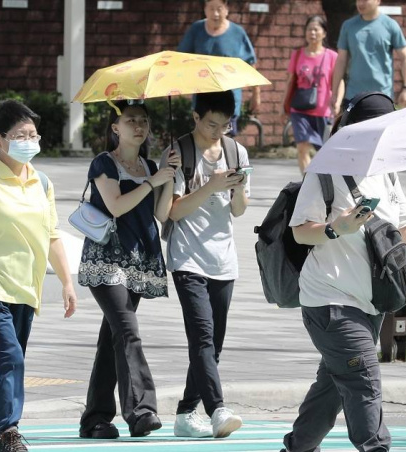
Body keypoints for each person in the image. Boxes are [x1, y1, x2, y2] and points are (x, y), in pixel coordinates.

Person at [282, 92, 406, 452]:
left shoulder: (386, 171)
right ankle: (377, 447)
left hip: (370, 304)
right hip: (330, 300)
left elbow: (404, 225)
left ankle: (297, 448)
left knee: (332, 388)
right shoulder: (325, 172)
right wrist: (334, 228)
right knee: (363, 382)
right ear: (353, 129)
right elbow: (299, 231)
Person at [0, 99, 77, 452]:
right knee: (9, 359)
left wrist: (66, 281)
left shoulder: (42, 182)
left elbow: (52, 235)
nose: (29, 141)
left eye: (33, 134)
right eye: (20, 135)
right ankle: (7, 431)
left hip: (26, 290)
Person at [78, 99, 178, 440]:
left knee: (114, 338)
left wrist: (169, 178)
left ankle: (95, 419)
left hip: (139, 261)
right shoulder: (103, 163)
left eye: (144, 121)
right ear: (115, 128)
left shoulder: (151, 166)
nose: (139, 126)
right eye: (131, 120)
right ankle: (141, 410)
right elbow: (117, 206)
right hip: (106, 261)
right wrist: (151, 183)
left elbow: (162, 215)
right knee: (127, 331)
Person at [159, 90, 248, 438]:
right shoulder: (179, 152)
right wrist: (211, 185)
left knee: (214, 344)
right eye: (212, 124)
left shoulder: (235, 151)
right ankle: (217, 410)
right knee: (202, 338)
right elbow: (173, 211)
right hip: (188, 258)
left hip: (224, 258)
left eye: (225, 125)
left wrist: (238, 188)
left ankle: (184, 413)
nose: (218, 132)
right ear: (195, 117)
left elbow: (239, 210)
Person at [179, 0, 259, 136]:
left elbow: (250, 63)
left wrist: (256, 94)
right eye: (211, 8)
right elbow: (181, 58)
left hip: (230, 97)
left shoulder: (237, 33)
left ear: (226, 9)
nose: (215, 13)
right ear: (205, 9)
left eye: (219, 8)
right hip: (202, 98)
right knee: (203, 142)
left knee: (226, 143)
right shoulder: (196, 30)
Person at [282, 15, 343, 173]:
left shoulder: (332, 56)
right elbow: (290, 82)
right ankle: (306, 184)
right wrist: (284, 105)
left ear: (324, 33)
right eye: (309, 29)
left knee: (324, 151)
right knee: (302, 147)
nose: (312, 33)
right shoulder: (297, 55)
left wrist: (337, 101)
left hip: (323, 111)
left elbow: (339, 82)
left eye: (316, 29)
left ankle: (322, 184)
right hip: (299, 109)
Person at [331, 0, 406, 110]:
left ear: (378, 1)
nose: (360, 3)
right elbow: (341, 60)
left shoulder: (390, 25)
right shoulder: (348, 26)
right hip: (354, 97)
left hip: (383, 97)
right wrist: (334, 93)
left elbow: (405, 58)